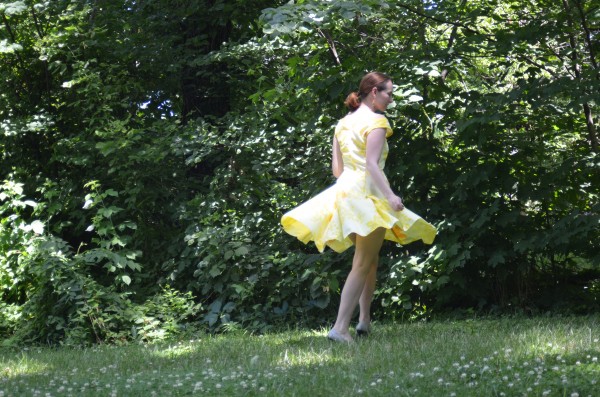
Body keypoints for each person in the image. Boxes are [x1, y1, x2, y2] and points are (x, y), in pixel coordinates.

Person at [281, 72, 437, 343]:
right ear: (374, 92)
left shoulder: (342, 123)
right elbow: (372, 165)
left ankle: (364, 321)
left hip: (346, 193)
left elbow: (337, 170)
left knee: (370, 259)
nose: (391, 98)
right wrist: (390, 196)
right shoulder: (377, 121)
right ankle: (340, 328)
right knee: (363, 262)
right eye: (389, 93)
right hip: (367, 194)